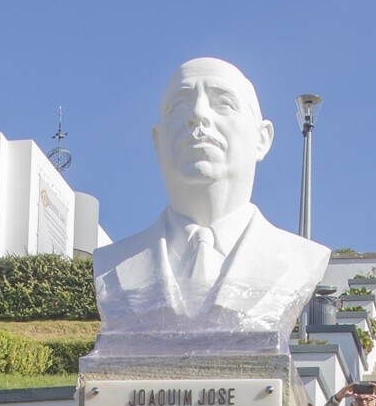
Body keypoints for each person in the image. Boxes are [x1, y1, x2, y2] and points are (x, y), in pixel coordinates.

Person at [90, 58, 330, 355]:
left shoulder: (300, 259)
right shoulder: (113, 264)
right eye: (179, 106)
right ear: (157, 141)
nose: (198, 115)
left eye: (223, 103)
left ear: (262, 138)